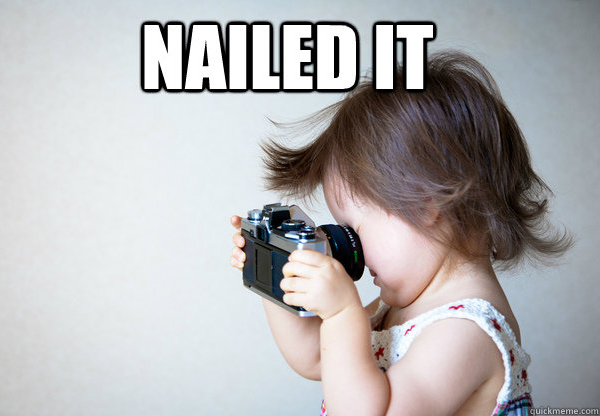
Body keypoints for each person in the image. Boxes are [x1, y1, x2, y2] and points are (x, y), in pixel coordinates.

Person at [229, 51, 571, 416]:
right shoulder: (402, 304)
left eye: (355, 228)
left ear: (424, 206)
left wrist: (343, 316)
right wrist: (276, 274)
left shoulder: (465, 332)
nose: (346, 243)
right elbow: (316, 358)